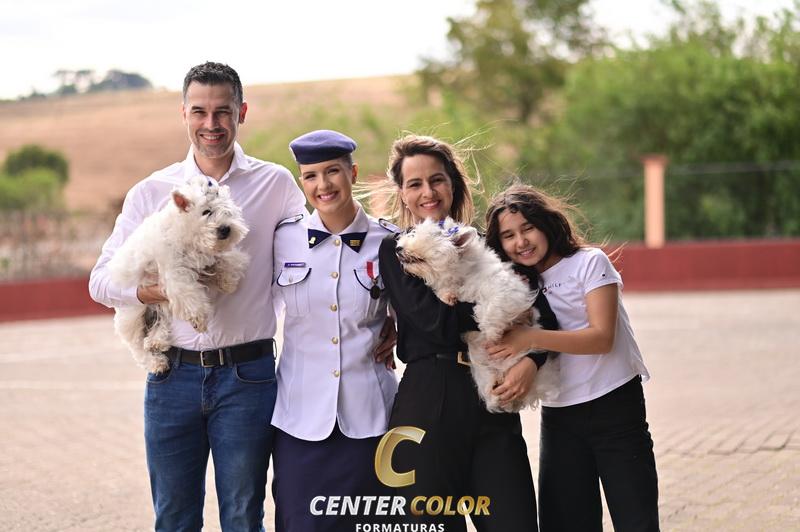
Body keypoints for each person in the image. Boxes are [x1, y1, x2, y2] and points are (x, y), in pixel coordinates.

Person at [89, 62, 306, 532]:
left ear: (241, 112)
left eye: (223, 111)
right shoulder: (151, 192)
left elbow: (309, 265)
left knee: (244, 517)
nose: (212, 124)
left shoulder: (277, 185)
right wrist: (155, 291)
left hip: (248, 376)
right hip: (172, 377)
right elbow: (100, 282)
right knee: (173, 518)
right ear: (183, 114)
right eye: (200, 112)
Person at [377, 134, 553, 531]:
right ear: (402, 193)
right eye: (415, 183)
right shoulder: (397, 250)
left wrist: (535, 358)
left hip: (493, 400)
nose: (428, 192)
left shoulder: (487, 244)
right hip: (429, 400)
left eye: (437, 179)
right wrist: (501, 311)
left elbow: (541, 311)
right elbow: (434, 324)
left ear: (453, 183)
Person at [484, 184, 660, 532]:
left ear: (545, 223)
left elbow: (602, 338)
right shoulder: (514, 285)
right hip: (560, 418)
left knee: (636, 521)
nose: (521, 241)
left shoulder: (589, 262)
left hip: (615, 409)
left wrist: (529, 339)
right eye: (508, 235)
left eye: (528, 228)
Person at [270, 129, 398, 531]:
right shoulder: (282, 240)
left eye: (333, 171)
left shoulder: (390, 242)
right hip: (299, 419)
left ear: (353, 173)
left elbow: (420, 312)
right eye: (311, 176)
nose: (322, 185)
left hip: (370, 417)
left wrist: (399, 326)